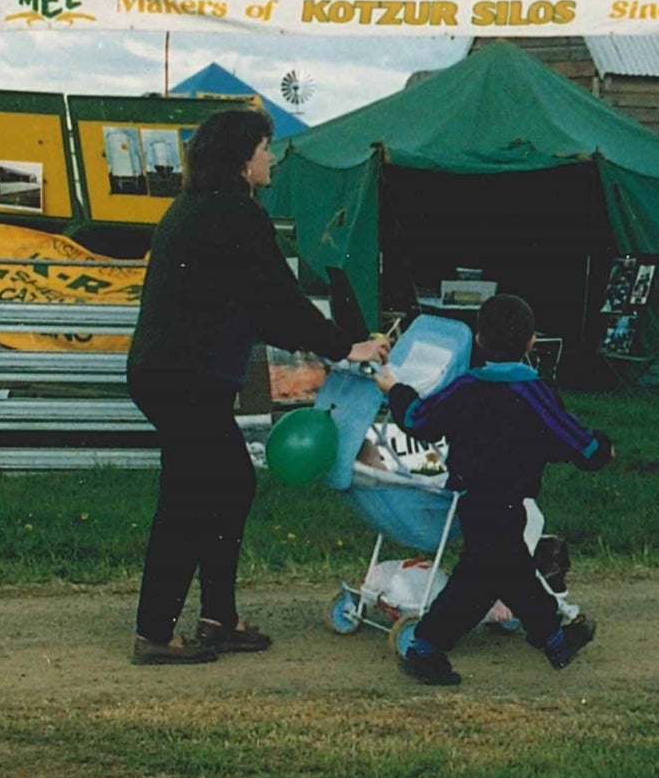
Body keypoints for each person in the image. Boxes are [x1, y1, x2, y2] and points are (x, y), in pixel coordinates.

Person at [124, 109, 389, 665]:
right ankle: (155, 633)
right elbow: (280, 301)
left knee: (228, 484)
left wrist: (332, 341)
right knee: (193, 497)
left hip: (171, 372)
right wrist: (347, 347)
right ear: (243, 159)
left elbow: (265, 312)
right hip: (186, 377)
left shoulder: (198, 208)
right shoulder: (234, 215)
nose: (271, 158)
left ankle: (218, 618)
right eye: (265, 149)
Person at [382, 293, 614, 685]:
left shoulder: (464, 388)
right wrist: (601, 448)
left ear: (478, 340)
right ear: (531, 342)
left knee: (508, 571)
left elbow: (419, 419)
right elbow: (571, 439)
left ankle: (554, 638)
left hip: (475, 501)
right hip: (509, 499)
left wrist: (394, 388)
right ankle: (425, 647)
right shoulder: (535, 391)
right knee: (481, 578)